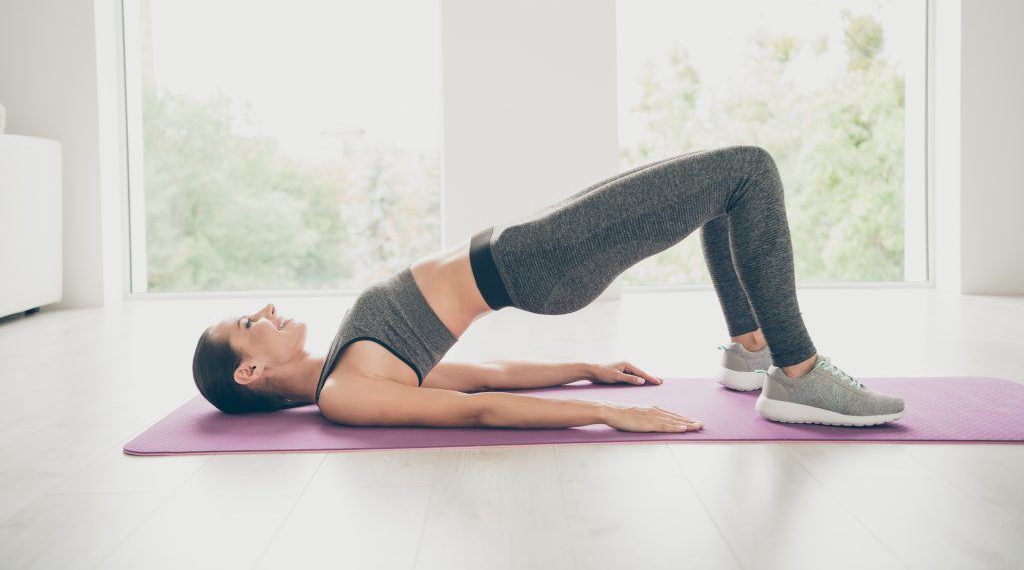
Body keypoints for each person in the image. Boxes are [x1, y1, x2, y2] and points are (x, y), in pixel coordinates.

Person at [192, 144, 905, 432]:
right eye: (251, 321)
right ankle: (799, 371)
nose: (269, 311)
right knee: (749, 169)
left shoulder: (342, 365)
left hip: (525, 245)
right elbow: (479, 412)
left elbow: (478, 374)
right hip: (539, 261)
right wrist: (605, 416)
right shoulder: (343, 394)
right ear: (251, 368)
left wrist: (586, 369)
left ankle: (753, 352)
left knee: (726, 188)